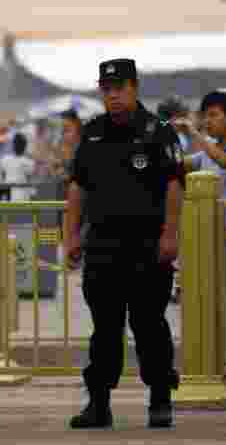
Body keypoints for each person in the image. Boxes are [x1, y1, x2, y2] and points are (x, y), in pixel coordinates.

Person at [63, 59, 182, 430]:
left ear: (134, 88)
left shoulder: (159, 131)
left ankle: (160, 399)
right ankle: (98, 404)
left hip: (147, 247)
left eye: (120, 88)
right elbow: (77, 186)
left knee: (149, 326)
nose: (113, 95)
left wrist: (170, 234)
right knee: (105, 329)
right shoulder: (93, 132)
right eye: (107, 89)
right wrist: (70, 235)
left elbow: (174, 185)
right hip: (102, 246)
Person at [178, 89, 226, 373]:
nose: (207, 121)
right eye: (205, 116)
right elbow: (186, 164)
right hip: (207, 233)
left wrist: (194, 133)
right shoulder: (209, 147)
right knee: (214, 293)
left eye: (213, 115)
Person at [0, 133, 36, 202]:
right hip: (22, 196)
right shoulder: (29, 162)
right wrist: (32, 195)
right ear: (25, 146)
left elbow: (2, 179)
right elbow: (30, 181)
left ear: (13, 145)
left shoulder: (5, 159)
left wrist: (2, 196)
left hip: (9, 197)